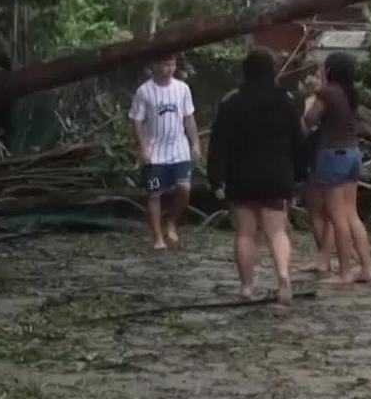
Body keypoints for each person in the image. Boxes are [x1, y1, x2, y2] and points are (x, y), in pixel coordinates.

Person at [207, 48, 309, 302]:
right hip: (277, 176)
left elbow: (218, 143)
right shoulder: (287, 102)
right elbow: (298, 142)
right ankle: (283, 278)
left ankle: (246, 287)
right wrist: (300, 175)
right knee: (277, 231)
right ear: (273, 72)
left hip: (241, 177)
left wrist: (215, 177)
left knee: (245, 232)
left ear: (245, 71)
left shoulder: (231, 102)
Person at [302, 52, 371, 284]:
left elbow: (309, 120)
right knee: (352, 213)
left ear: (330, 70)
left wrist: (312, 98)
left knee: (337, 216)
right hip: (353, 153)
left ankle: (344, 274)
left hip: (333, 154)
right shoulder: (349, 93)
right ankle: (366, 269)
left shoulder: (328, 92)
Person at [129, 55, 198, 250]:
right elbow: (137, 122)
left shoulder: (182, 89)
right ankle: (157, 237)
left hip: (179, 148)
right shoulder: (144, 91)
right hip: (155, 150)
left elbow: (189, 118)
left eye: (173, 64)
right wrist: (143, 147)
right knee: (154, 194)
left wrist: (195, 143)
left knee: (184, 189)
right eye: (165, 64)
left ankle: (171, 221)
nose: (170, 68)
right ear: (155, 65)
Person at [297, 68, 337, 276]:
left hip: (317, 154)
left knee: (322, 211)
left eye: (313, 75)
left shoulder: (318, 101)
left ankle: (324, 258)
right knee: (322, 211)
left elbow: (306, 127)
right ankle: (324, 258)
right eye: (307, 76)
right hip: (324, 154)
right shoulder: (339, 98)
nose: (309, 80)